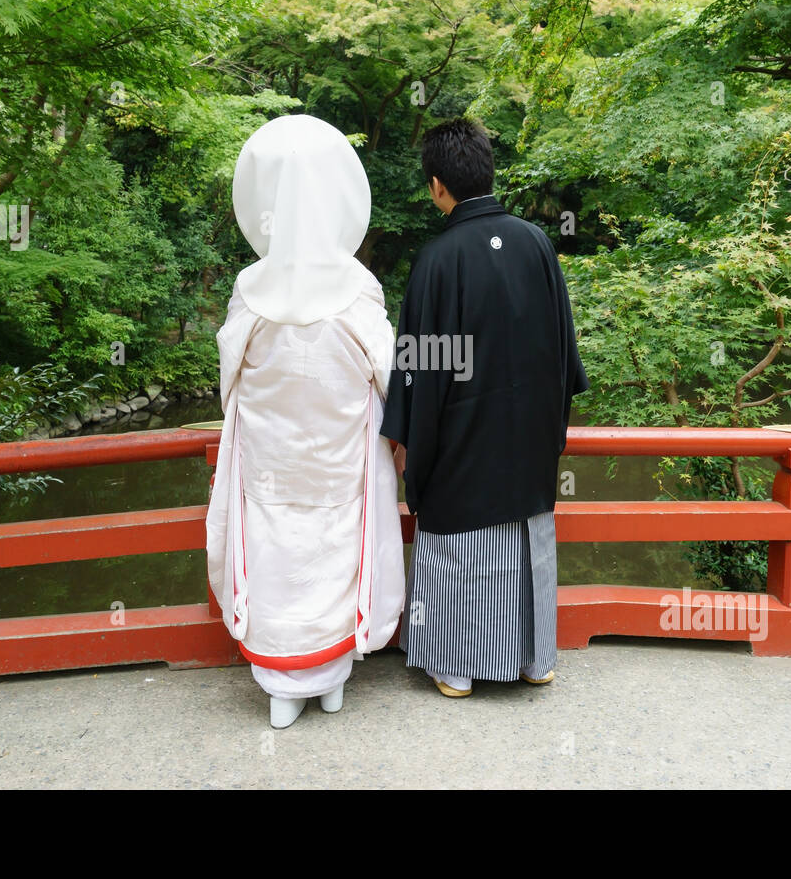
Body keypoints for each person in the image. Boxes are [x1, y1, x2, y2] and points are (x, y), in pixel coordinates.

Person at [206, 114, 405, 729]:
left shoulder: (249, 285)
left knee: (271, 557)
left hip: (270, 461)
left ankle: (280, 688)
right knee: (338, 551)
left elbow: (230, 378)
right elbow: (388, 375)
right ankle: (332, 680)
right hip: (339, 456)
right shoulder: (358, 285)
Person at [381, 118, 589, 697]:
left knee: (459, 548)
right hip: (528, 441)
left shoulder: (436, 260)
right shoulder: (537, 244)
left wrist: (407, 438)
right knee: (528, 542)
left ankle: (456, 666)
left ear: (437, 185)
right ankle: (534, 658)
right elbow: (563, 354)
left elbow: (421, 370)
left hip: (462, 446)